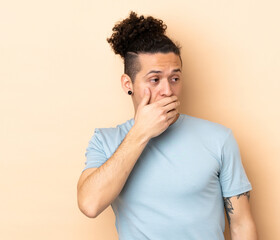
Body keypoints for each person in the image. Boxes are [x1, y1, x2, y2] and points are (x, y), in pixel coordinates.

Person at [77, 11, 257, 240]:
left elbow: (241, 224)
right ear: (128, 84)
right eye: (154, 79)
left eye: (175, 78)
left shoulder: (218, 138)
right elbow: (89, 204)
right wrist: (141, 133)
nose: (167, 90)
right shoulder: (105, 140)